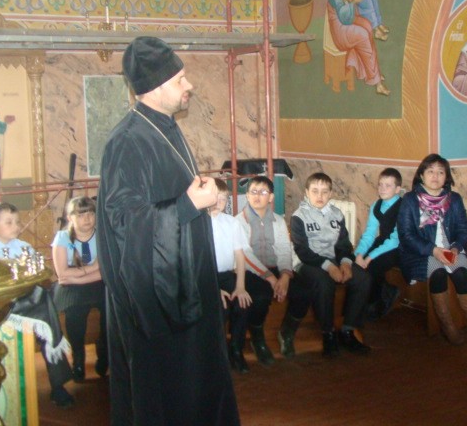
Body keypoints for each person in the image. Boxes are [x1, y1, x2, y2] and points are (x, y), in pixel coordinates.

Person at [96, 36, 240, 425]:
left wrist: (199, 199)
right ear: (156, 87)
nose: (189, 85)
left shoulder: (166, 127)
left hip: (188, 284)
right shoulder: (127, 141)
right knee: (168, 396)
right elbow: (124, 225)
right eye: (180, 80)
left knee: (199, 387)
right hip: (158, 304)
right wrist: (188, 204)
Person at [0, 202, 75, 408]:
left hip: (25, 303)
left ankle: (58, 385)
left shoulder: (24, 248)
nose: (16, 226)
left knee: (48, 317)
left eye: (17, 222)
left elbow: (39, 276)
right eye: (9, 222)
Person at [397, 154, 467, 345]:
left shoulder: (455, 199)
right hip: (421, 253)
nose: (435, 176)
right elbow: (406, 235)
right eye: (430, 171)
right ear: (421, 175)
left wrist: (456, 248)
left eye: (440, 172)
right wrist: (434, 250)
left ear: (447, 177)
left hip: (450, 250)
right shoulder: (410, 200)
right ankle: (448, 326)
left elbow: (464, 230)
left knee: (460, 272)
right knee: (437, 273)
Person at [290, 172, 372, 357]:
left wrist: (345, 263)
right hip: (307, 263)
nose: (319, 196)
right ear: (306, 192)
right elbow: (303, 251)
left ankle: (348, 330)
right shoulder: (298, 217)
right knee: (324, 282)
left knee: (363, 279)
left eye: (324, 192)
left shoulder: (336, 214)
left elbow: (343, 245)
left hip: (333, 259)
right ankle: (328, 333)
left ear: (331, 193)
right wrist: (330, 267)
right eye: (315, 191)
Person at [236, 176, 311, 362]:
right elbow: (245, 254)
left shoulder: (278, 220)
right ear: (247, 196)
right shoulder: (238, 221)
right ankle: (257, 338)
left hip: (276, 268)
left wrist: (285, 275)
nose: (257, 196)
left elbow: (284, 249)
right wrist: (269, 277)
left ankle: (287, 332)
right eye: (253, 192)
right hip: (249, 271)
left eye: (263, 192)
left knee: (303, 292)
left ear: (271, 197)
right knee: (261, 296)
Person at [52, 196, 107, 383]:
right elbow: (62, 273)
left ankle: (104, 352)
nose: (87, 219)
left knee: (110, 310)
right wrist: (94, 269)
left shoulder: (102, 235)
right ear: (70, 218)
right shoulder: (62, 238)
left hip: (90, 282)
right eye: (81, 215)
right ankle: (78, 357)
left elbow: (106, 271)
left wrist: (78, 276)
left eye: (91, 213)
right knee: (74, 313)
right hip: (71, 288)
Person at [326, 0, 390, 96]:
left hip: (345, 20)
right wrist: (353, 1)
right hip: (340, 29)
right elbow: (342, 14)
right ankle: (377, 83)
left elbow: (342, 0)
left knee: (367, 25)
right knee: (363, 34)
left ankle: (373, 71)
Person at [209, 178, 252, 373]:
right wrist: (214, 289)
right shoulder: (198, 224)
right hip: (206, 277)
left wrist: (240, 286)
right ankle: (217, 354)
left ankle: (236, 349)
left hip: (227, 275)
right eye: (216, 198)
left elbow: (239, 256)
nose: (219, 202)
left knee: (243, 304)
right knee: (221, 308)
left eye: (223, 199)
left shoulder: (232, 222)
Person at [354, 167, 402, 320]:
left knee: (373, 266)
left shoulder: (402, 206)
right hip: (383, 241)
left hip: (399, 247)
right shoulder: (377, 205)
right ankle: (359, 302)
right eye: (380, 184)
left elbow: (395, 239)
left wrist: (370, 257)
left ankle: (376, 304)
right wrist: (359, 253)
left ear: (397, 189)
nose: (382, 189)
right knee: (356, 264)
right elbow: (369, 233)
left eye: (388, 185)